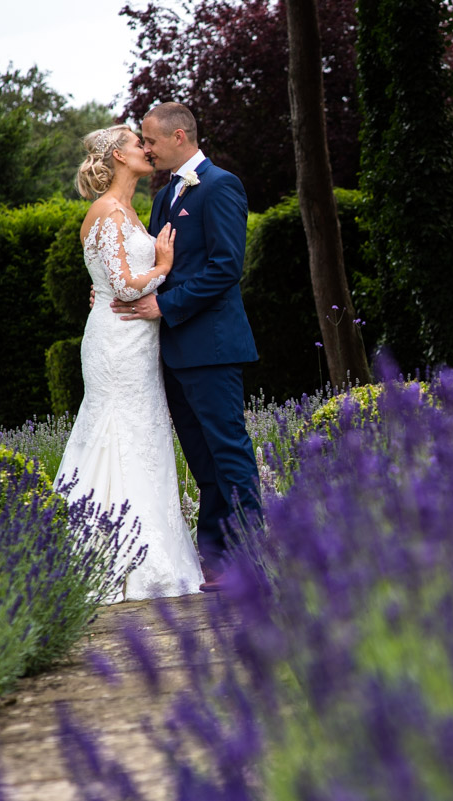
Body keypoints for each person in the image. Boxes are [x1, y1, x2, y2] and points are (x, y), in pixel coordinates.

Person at [112, 103, 261, 592]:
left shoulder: (220, 186)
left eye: (150, 140)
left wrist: (165, 306)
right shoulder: (167, 194)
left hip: (212, 347)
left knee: (229, 452)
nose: (146, 148)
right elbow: (157, 263)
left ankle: (249, 558)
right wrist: (117, 289)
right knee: (203, 461)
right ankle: (215, 560)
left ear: (179, 136)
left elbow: (225, 267)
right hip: (173, 350)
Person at [56, 124, 204, 602]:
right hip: (117, 342)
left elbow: (110, 278)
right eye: (137, 143)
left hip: (136, 342)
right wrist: (162, 266)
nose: (146, 148)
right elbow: (121, 287)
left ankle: (142, 551)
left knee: (142, 438)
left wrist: (142, 273)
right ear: (118, 156)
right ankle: (106, 559)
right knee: (116, 433)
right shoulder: (106, 210)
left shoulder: (129, 212)